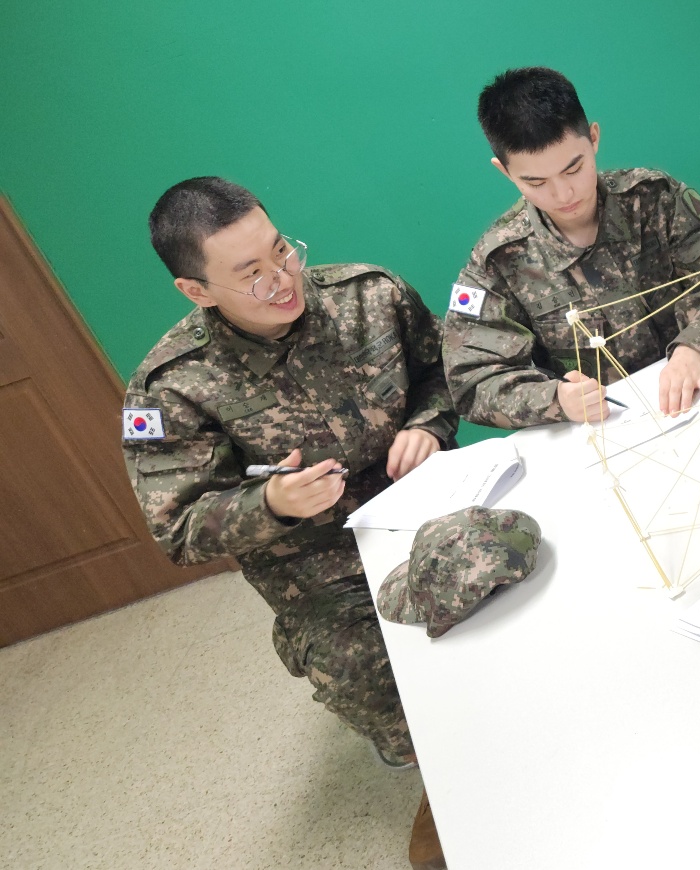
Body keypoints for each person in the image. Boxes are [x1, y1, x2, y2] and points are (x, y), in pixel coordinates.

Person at [122, 177, 456, 862]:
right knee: (355, 664)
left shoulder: (370, 295)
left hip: (421, 503)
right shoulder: (169, 389)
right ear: (196, 290)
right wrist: (271, 504)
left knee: (508, 575)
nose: (281, 280)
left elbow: (447, 370)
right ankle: (441, 775)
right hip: (318, 563)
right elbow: (178, 530)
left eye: (282, 251)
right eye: (251, 273)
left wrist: (428, 425)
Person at [443, 67, 700, 426]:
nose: (564, 194)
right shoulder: (498, 259)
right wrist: (555, 400)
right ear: (504, 171)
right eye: (537, 183)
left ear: (593, 138)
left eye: (573, 169)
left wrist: (693, 346)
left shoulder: (654, 199)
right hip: (604, 430)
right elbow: (471, 381)